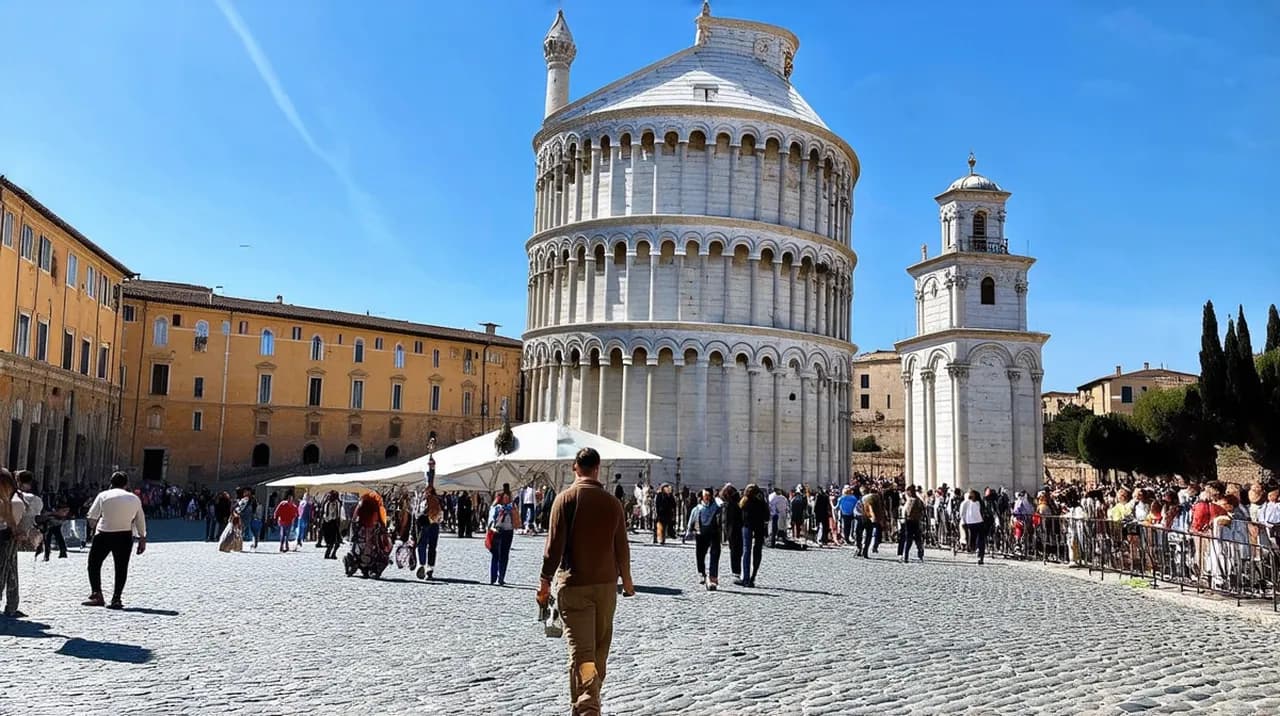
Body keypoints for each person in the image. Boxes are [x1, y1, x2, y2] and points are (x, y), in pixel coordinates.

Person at [537, 448, 634, 716]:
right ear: (598, 468)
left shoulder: (565, 499)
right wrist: (627, 582)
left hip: (575, 585)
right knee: (599, 651)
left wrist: (544, 581)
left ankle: (587, 705)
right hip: (605, 588)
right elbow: (622, 548)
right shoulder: (613, 503)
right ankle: (590, 700)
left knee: (583, 653)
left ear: (574, 468)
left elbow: (553, 548)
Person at [83, 472, 147, 609]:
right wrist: (142, 537)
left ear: (111, 483)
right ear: (126, 484)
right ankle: (116, 598)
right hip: (124, 534)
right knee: (121, 567)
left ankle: (97, 593)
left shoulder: (103, 495)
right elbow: (140, 519)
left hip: (104, 534)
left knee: (94, 564)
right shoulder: (134, 498)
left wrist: (92, 529)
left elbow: (92, 517)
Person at [0, 469, 26, 617]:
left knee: (9, 569)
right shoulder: (9, 500)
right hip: (5, 536)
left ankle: (12, 604)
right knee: (6, 569)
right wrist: (16, 530)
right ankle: (12, 605)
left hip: (7, 535)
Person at [685, 488, 722, 591]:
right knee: (700, 554)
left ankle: (713, 577)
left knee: (715, 554)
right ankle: (701, 572)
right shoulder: (697, 508)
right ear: (702, 496)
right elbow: (691, 520)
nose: (707, 497)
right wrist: (688, 532)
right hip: (701, 533)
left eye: (709, 495)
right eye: (705, 495)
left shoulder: (716, 506)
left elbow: (722, 506)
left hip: (714, 533)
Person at [737, 485, 769, 587]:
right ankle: (753, 577)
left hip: (747, 527)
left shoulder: (745, 501)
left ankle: (745, 578)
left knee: (747, 551)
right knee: (757, 551)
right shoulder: (762, 502)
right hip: (759, 528)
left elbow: (740, 516)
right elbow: (767, 516)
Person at [487, 493, 516, 585]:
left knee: (504, 555)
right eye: (505, 497)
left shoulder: (511, 508)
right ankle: (493, 577)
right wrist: (492, 529)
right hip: (498, 532)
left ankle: (501, 577)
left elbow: (516, 520)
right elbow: (491, 520)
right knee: (496, 555)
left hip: (508, 532)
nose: (507, 499)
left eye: (508, 497)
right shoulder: (496, 507)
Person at [415, 485, 443, 580]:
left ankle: (422, 564)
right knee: (432, 546)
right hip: (434, 524)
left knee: (422, 544)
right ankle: (429, 568)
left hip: (426, 524)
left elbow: (418, 513)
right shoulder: (437, 500)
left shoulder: (424, 499)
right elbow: (440, 514)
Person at [719, 485, 742, 580]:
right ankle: (736, 572)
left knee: (735, 551)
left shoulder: (727, 504)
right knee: (737, 552)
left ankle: (736, 571)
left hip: (731, 531)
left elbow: (724, 521)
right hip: (735, 530)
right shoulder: (732, 504)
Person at [959, 489, 987, 565]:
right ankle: (973, 548)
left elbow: (983, 511)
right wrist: (963, 521)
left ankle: (981, 556)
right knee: (972, 539)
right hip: (970, 523)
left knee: (981, 540)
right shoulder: (966, 503)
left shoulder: (979, 502)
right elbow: (962, 512)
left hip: (980, 522)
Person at [899, 485, 925, 562]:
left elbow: (909, 512)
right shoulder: (915, 500)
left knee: (911, 539)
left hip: (912, 521)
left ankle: (907, 555)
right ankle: (916, 554)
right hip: (913, 521)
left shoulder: (913, 501)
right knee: (915, 539)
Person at [321, 491, 343, 560]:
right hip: (328, 523)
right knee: (330, 542)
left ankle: (333, 554)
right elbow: (325, 515)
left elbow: (338, 514)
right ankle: (327, 554)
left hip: (334, 523)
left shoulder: (337, 503)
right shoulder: (327, 504)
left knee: (337, 542)